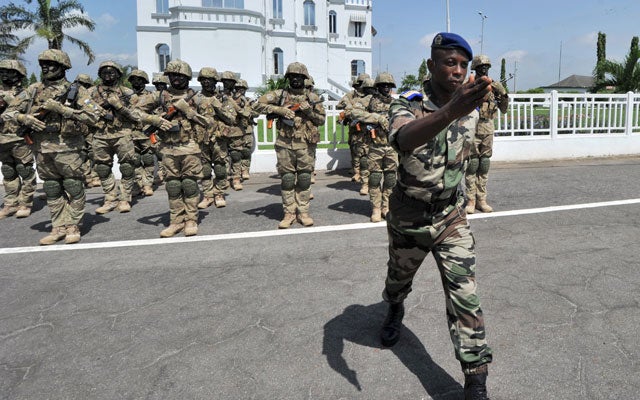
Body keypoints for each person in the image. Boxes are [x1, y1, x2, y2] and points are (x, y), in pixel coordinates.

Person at [379, 33, 493, 399]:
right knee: (398, 279)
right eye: (449, 63)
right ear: (431, 65)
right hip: (409, 215)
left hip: (450, 216)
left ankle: (476, 379)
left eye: (463, 65)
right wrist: (450, 111)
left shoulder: (472, 106)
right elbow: (402, 140)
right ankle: (394, 307)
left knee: (465, 295)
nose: (458, 71)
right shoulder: (407, 103)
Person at [5, 49, 99, 244]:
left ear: (63, 67)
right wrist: (24, 118)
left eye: (51, 64)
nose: (46, 68)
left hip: (69, 148)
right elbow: (9, 113)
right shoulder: (33, 90)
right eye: (43, 65)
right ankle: (58, 226)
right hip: (41, 148)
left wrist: (63, 110)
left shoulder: (77, 91)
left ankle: (73, 225)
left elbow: (94, 116)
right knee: (51, 188)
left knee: (73, 186)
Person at [135, 59, 213, 237]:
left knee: (189, 185)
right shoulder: (160, 96)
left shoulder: (197, 97)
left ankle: (191, 219)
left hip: (190, 147)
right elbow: (134, 111)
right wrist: (154, 120)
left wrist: (189, 112)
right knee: (173, 186)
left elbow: (209, 122)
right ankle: (176, 221)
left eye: (179, 75)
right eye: (172, 75)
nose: (176, 78)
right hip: (168, 148)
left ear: (187, 76)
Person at [253, 62, 325, 229]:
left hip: (306, 145)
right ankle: (289, 213)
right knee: (287, 179)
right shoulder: (279, 95)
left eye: (299, 76)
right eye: (292, 76)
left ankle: (303, 212)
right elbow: (256, 105)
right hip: (285, 144)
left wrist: (309, 112)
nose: (296, 79)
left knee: (305, 179)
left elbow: (321, 120)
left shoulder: (313, 98)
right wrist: (279, 110)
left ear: (305, 78)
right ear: (288, 78)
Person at [87, 61, 139, 214]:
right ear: (99, 75)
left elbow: (136, 115)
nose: (108, 75)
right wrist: (100, 109)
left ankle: (124, 198)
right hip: (100, 134)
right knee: (102, 168)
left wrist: (119, 106)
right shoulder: (91, 92)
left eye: (112, 72)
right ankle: (110, 198)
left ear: (118, 74)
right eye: (104, 72)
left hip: (122, 133)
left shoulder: (127, 93)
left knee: (127, 167)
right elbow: (85, 107)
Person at [350, 72, 398, 223]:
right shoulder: (368, 100)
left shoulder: (396, 103)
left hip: (391, 146)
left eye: (388, 85)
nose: (386, 88)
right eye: (383, 85)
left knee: (390, 179)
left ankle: (386, 206)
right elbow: (354, 112)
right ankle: (376, 208)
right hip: (374, 146)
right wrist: (376, 118)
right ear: (377, 86)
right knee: (375, 178)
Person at [465, 55, 509, 214]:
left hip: (487, 128)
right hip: (472, 127)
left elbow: (504, 110)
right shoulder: (469, 85)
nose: (484, 69)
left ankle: (481, 199)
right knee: (472, 164)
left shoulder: (494, 87)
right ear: (475, 69)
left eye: (486, 67)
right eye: (480, 67)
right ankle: (470, 199)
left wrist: (503, 94)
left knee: (484, 164)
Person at [195, 67, 237, 210]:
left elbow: (231, 118)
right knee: (205, 168)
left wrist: (218, 107)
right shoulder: (195, 99)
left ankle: (219, 194)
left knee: (220, 168)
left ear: (215, 81)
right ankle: (207, 195)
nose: (206, 82)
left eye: (210, 80)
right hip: (202, 139)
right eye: (204, 80)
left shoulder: (223, 99)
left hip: (219, 139)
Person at [0, 59, 37, 219]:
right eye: (2, 71)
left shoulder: (27, 93)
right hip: (2, 138)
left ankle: (25, 203)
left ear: (19, 74)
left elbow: (33, 113)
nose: (5, 75)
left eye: (9, 72)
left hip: (20, 138)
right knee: (8, 171)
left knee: (25, 170)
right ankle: (10, 203)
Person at [337, 72, 370, 184]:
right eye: (361, 83)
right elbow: (340, 104)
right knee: (355, 148)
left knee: (367, 149)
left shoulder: (371, 95)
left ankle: (364, 170)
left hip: (368, 126)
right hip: (355, 127)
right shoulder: (351, 95)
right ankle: (356, 170)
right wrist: (349, 105)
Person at [127, 69, 156, 196]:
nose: (136, 82)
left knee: (148, 159)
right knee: (135, 160)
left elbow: (158, 113)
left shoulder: (151, 96)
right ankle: (138, 184)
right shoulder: (126, 96)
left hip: (146, 132)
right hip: (131, 133)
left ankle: (147, 184)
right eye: (133, 79)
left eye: (139, 79)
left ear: (144, 81)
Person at [74, 73, 101, 188]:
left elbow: (93, 108)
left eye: (84, 84)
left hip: (90, 128)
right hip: (76, 128)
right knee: (80, 153)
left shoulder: (89, 95)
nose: (81, 86)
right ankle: (86, 177)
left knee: (93, 152)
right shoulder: (70, 93)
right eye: (79, 83)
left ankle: (94, 176)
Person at [219, 71, 245, 191]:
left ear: (234, 83)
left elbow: (247, 112)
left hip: (236, 130)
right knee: (222, 156)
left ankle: (236, 178)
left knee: (236, 155)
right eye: (225, 81)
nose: (227, 83)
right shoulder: (218, 96)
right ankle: (224, 178)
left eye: (230, 81)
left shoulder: (239, 98)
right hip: (221, 131)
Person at [233, 78, 257, 181]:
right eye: (238, 88)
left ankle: (245, 170)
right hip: (235, 130)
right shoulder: (231, 100)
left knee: (247, 151)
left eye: (242, 88)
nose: (240, 90)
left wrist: (247, 110)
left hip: (247, 129)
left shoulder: (249, 101)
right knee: (235, 153)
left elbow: (256, 113)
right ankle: (236, 173)